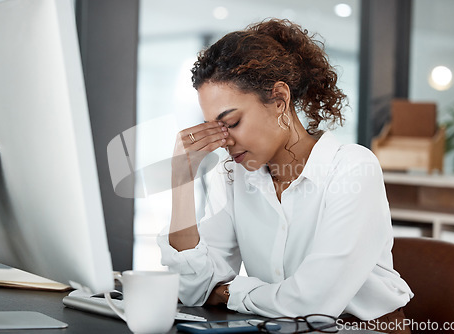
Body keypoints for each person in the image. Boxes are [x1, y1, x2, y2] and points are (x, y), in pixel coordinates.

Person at [158, 19, 413, 334]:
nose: (224, 139)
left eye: (233, 122)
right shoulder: (236, 177)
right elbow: (193, 289)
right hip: (275, 328)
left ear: (279, 99)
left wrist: (228, 292)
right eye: (215, 127)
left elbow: (312, 303)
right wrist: (181, 181)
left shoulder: (352, 168)